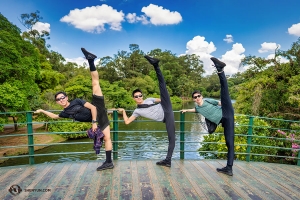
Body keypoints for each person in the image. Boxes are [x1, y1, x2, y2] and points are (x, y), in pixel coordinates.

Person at [35, 48, 114, 171]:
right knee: (107, 139)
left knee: (95, 83)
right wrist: (42, 111)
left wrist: (93, 123)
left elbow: (93, 107)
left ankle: (91, 60)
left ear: (66, 97)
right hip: (100, 118)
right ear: (57, 102)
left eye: (62, 97)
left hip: (98, 110)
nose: (61, 100)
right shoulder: (65, 113)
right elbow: (55, 116)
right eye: (58, 99)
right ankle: (109, 162)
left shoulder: (77, 101)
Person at [118, 55, 175, 167]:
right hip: (166, 117)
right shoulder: (137, 111)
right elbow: (127, 122)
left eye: (140, 95)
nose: (139, 97)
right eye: (136, 96)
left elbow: (160, 99)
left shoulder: (149, 99)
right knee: (171, 138)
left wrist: (163, 99)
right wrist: (124, 111)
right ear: (133, 98)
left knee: (162, 86)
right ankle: (168, 161)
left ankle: (155, 64)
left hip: (166, 106)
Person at [181, 57, 234, 176]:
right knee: (229, 143)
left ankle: (220, 69)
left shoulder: (208, 100)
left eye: (198, 96)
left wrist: (228, 106)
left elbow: (220, 103)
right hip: (224, 122)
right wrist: (186, 110)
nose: (197, 98)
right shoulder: (198, 108)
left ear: (201, 96)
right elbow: (195, 110)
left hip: (227, 112)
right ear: (193, 99)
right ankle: (229, 168)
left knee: (224, 91)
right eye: (195, 97)